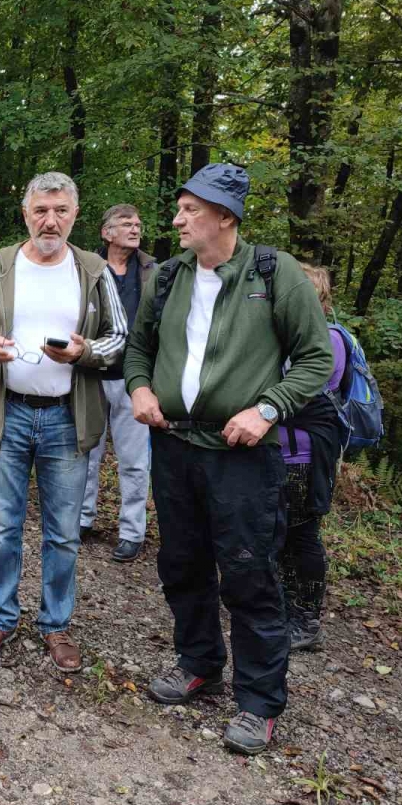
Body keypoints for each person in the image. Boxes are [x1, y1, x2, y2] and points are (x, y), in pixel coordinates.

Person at [124, 163, 332, 756]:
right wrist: (140, 388)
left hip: (242, 455)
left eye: (189, 209)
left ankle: (260, 703)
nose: (177, 219)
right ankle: (198, 664)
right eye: (180, 208)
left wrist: (267, 408)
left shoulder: (274, 273)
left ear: (224, 216)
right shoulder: (167, 277)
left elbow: (315, 359)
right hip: (174, 445)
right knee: (182, 564)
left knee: (249, 572)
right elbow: (141, 349)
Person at [0, 172, 128, 673]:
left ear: (75, 214)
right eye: (41, 211)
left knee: (63, 532)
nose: (51, 221)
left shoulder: (92, 270)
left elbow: (120, 338)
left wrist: (84, 351)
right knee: (3, 528)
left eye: (61, 211)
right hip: (7, 415)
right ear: (26, 213)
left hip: (67, 420)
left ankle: (56, 625)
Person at [78, 204, 158, 562]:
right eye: (126, 224)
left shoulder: (154, 270)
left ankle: (131, 532)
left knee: (134, 461)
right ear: (106, 233)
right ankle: (81, 519)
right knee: (86, 453)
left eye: (138, 224)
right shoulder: (85, 268)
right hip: (91, 375)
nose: (135, 228)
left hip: (135, 379)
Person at [278, 264, 345, 652]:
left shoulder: (328, 339)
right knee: (279, 531)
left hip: (305, 454)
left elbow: (303, 394)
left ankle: (306, 618)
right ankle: (285, 608)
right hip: (279, 451)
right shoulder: (291, 335)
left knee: (302, 535)